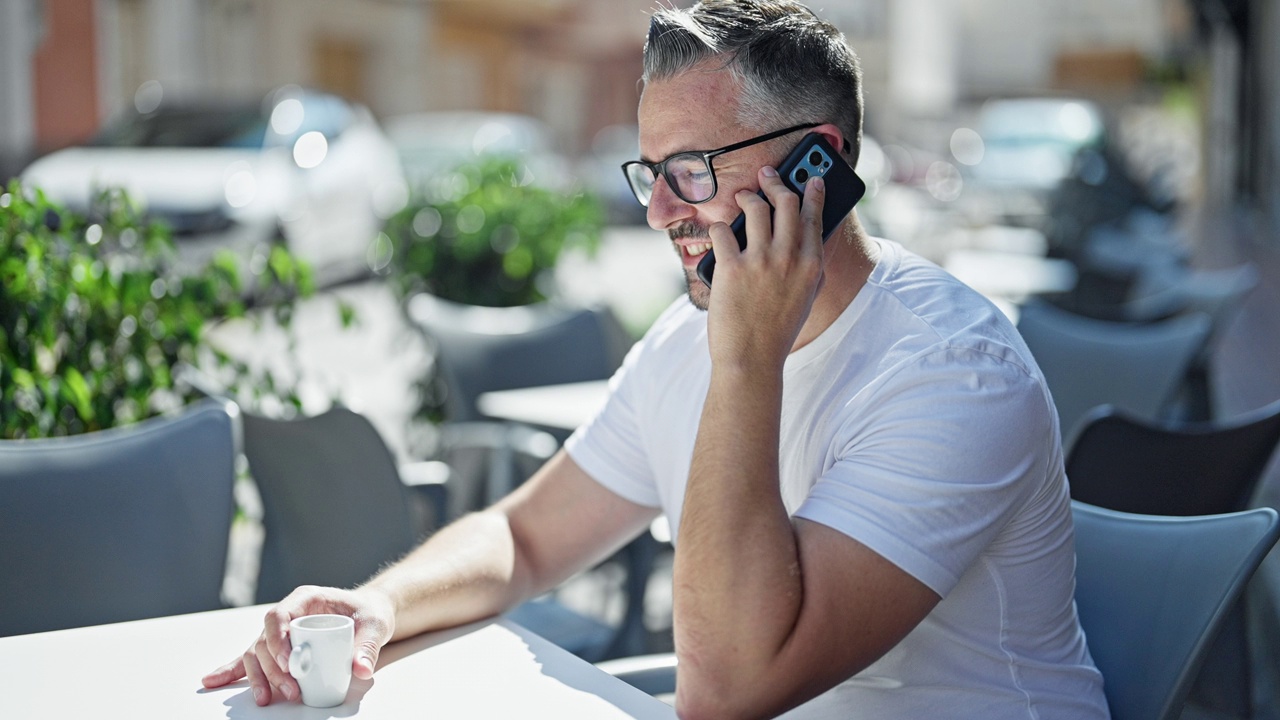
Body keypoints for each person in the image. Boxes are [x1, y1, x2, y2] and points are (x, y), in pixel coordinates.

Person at [203, 1, 1109, 717]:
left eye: (692, 169)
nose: (657, 212)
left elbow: (726, 692)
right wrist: (382, 608)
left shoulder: (955, 373)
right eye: (650, 172)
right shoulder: (688, 340)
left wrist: (748, 363)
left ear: (817, 168)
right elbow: (522, 538)